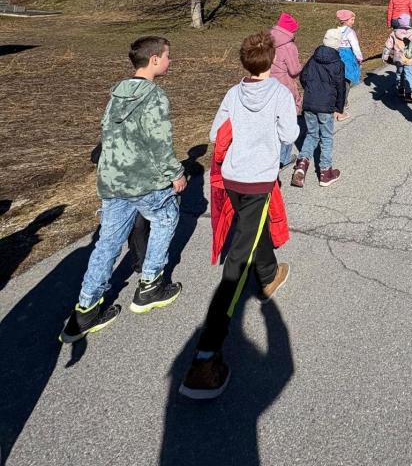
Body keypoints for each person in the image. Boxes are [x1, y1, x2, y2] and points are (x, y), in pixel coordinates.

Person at [179, 31, 298, 400]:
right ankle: (205, 356)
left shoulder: (233, 93)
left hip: (232, 177)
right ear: (271, 59)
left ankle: (268, 274)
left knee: (250, 230)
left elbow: (216, 133)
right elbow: (289, 133)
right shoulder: (279, 93)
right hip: (258, 180)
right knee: (236, 263)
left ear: (245, 62)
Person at [59, 36, 186, 344]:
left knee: (108, 242)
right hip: (143, 180)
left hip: (113, 180)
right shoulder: (155, 96)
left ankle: (86, 307)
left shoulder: (118, 93)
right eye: (167, 56)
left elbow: (108, 134)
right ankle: (150, 284)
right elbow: (160, 142)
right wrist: (176, 174)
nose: (170, 61)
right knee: (166, 217)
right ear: (154, 60)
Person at [291, 28, 346, 188]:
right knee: (326, 137)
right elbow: (340, 87)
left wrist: (310, 91)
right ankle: (325, 172)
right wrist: (339, 107)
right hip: (326, 106)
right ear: (337, 44)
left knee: (312, 134)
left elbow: (303, 76)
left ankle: (301, 165)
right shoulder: (337, 63)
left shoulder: (313, 59)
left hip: (310, 102)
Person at [269, 12, 303, 166]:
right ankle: (284, 157)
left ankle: (271, 154)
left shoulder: (267, 41)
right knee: (287, 120)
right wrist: (301, 66)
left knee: (273, 121)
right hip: (284, 84)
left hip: (268, 83)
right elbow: (294, 70)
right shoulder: (289, 46)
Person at [381, 13, 412, 102]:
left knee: (399, 73)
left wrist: (385, 56)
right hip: (409, 58)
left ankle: (400, 89)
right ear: (409, 22)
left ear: (399, 22)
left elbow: (388, 45)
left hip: (398, 57)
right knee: (409, 75)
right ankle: (408, 93)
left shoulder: (394, 33)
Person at [335, 8, 363, 119]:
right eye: (352, 20)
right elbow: (355, 46)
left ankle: (337, 103)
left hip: (337, 56)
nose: (353, 22)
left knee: (338, 82)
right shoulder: (350, 32)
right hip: (347, 58)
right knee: (346, 81)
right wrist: (359, 58)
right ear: (346, 20)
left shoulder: (336, 31)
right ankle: (342, 105)